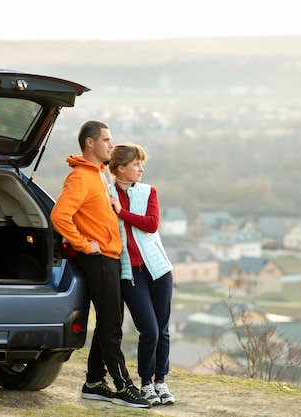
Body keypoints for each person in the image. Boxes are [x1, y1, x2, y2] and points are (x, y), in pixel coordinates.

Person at [50, 121, 150, 408]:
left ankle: (94, 381)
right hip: (98, 259)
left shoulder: (97, 175)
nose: (111, 144)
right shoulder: (81, 177)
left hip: (109, 258)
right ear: (90, 143)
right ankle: (123, 386)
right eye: (106, 140)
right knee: (111, 326)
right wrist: (83, 244)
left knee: (110, 322)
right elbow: (59, 216)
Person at [108, 143, 176, 406]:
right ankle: (145, 384)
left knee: (163, 329)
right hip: (130, 273)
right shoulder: (106, 193)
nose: (141, 169)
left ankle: (161, 381)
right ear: (121, 168)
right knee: (149, 331)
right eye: (137, 164)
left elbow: (151, 224)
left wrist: (121, 212)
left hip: (159, 270)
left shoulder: (149, 192)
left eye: (141, 163)